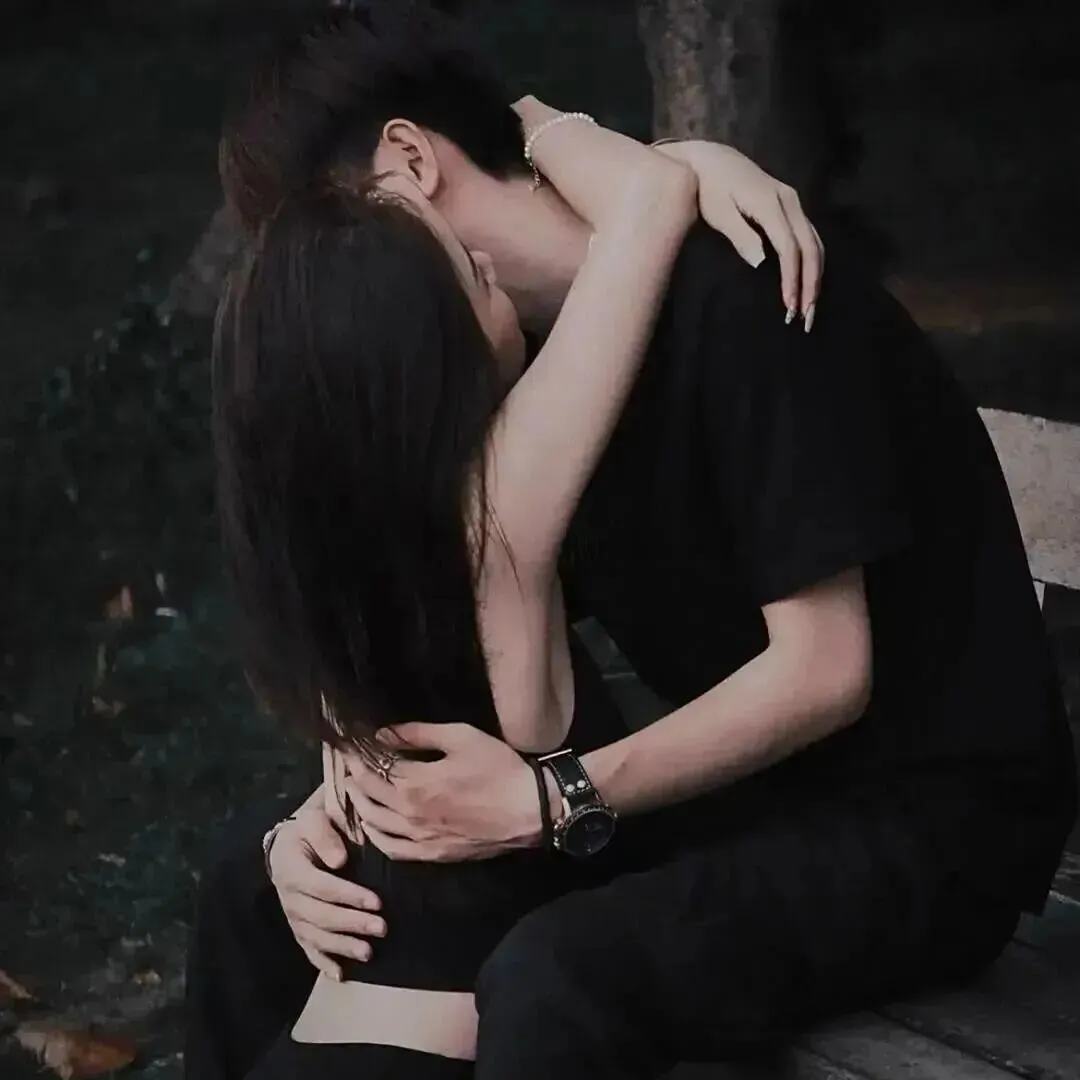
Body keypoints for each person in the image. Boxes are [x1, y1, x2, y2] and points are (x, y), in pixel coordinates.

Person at [187, 4, 1077, 1080]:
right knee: (254, 882)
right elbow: (436, 640)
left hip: (928, 821)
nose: (321, 270)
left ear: (411, 161)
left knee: (558, 977)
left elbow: (828, 671)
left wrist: (553, 800)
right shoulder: (508, 366)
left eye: (331, 220)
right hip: (748, 793)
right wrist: (334, 809)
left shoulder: (744, 293)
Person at [213, 89, 707, 1078]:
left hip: (319, 1047)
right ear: (429, 356)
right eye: (469, 275)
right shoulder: (495, 517)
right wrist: (534, 117)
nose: (489, 265)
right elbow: (652, 198)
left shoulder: (309, 552)